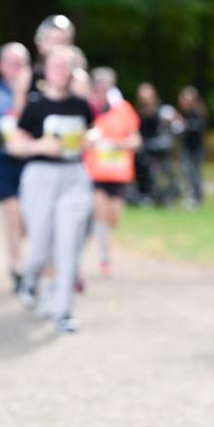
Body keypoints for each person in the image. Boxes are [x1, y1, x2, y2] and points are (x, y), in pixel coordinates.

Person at [8, 45, 93, 334]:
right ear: (45, 70)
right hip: (40, 176)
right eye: (55, 65)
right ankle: (29, 279)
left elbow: (90, 132)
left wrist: (89, 139)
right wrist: (39, 146)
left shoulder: (81, 106)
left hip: (74, 176)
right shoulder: (35, 106)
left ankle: (63, 310)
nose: (61, 71)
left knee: (68, 244)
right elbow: (14, 144)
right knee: (41, 246)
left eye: (67, 66)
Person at [0, 42, 31, 290]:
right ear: (0, 65)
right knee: (12, 214)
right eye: (11, 62)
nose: (16, 68)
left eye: (21, 63)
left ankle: (26, 262)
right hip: (3, 160)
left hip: (31, 161)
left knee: (26, 220)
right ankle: (16, 266)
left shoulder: (37, 89)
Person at [84, 67, 141, 275]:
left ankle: (99, 241)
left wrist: (119, 144)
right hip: (95, 172)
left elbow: (136, 140)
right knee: (100, 214)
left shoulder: (123, 108)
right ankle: (104, 257)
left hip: (118, 172)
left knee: (113, 218)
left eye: (106, 82)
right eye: (98, 82)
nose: (102, 86)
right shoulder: (89, 108)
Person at [177, 86, 207, 208]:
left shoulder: (198, 112)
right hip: (187, 147)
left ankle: (196, 196)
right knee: (187, 171)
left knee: (194, 172)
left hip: (196, 148)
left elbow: (197, 128)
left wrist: (185, 125)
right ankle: (191, 195)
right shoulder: (185, 113)